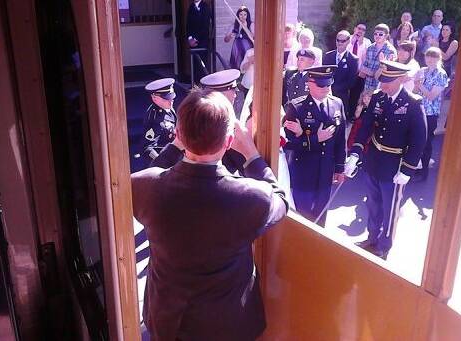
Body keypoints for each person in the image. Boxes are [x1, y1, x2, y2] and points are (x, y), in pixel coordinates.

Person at [132, 89, 288, 340]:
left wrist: (174, 147)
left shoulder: (143, 187)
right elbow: (280, 199)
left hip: (168, 321)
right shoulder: (250, 197)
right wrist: (252, 155)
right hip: (227, 325)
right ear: (228, 143)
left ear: (178, 134)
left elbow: (153, 173)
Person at [345, 60, 427, 260]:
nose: (383, 85)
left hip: (395, 164)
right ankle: (371, 238)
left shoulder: (413, 103)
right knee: (373, 203)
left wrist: (407, 170)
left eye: (388, 81)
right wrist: (355, 153)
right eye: (382, 80)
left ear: (400, 79)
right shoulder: (378, 98)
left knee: (390, 208)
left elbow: (419, 139)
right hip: (374, 159)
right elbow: (365, 127)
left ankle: (384, 245)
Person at [283, 65, 346, 224]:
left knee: (321, 213)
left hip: (326, 170)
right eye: (321, 85)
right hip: (304, 170)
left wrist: (339, 168)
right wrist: (316, 139)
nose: (326, 88)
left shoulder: (337, 104)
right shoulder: (296, 107)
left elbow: (340, 140)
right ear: (309, 84)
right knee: (303, 216)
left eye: (328, 84)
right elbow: (288, 143)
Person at [413, 47, 448, 181]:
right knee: (415, 140)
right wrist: (416, 86)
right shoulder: (422, 71)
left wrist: (419, 85)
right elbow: (415, 92)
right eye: (428, 56)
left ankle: (424, 171)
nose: (430, 59)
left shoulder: (441, 74)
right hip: (418, 110)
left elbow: (432, 96)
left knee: (426, 142)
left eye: (433, 57)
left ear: (439, 59)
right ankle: (414, 167)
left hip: (430, 113)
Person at [323, 30, 359, 121]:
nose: (339, 43)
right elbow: (324, 74)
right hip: (326, 95)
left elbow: (351, 82)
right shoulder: (328, 56)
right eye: (337, 40)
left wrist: (334, 88)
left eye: (342, 41)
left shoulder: (353, 59)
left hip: (341, 97)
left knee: (339, 123)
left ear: (348, 41)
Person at [142, 78, 177, 163]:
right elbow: (148, 148)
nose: (171, 101)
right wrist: (160, 162)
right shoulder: (153, 117)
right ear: (154, 98)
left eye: (171, 98)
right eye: (166, 99)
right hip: (164, 160)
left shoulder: (167, 106)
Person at [360, 23, 397, 92]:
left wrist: (373, 73)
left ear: (386, 36)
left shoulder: (391, 51)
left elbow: (390, 74)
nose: (377, 36)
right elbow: (364, 67)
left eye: (380, 34)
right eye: (375, 34)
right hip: (367, 86)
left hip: (380, 88)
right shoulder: (370, 48)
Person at [347, 22, 371, 119]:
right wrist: (352, 42)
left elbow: (367, 60)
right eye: (359, 28)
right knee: (345, 94)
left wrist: (360, 43)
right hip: (347, 73)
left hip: (359, 74)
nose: (360, 31)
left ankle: (351, 116)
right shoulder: (347, 39)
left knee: (355, 96)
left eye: (363, 30)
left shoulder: (367, 42)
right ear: (355, 29)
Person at [186, 0, 213, 82]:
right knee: (194, 64)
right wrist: (190, 38)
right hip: (192, 41)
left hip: (202, 41)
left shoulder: (205, 7)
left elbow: (205, 25)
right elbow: (188, 24)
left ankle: (203, 85)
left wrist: (196, 39)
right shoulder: (191, 7)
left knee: (202, 63)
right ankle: (195, 85)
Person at [224, 6, 254, 70]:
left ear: (247, 15)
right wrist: (229, 36)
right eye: (240, 14)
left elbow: (254, 39)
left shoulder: (251, 24)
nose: (243, 17)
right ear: (238, 15)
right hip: (236, 51)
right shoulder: (234, 25)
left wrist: (245, 27)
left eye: (245, 15)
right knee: (236, 68)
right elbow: (225, 40)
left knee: (246, 68)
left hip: (247, 51)